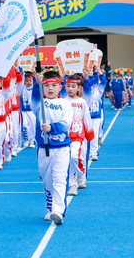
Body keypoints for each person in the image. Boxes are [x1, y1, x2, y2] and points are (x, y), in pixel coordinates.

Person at [32, 70, 73, 225]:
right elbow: (34, 98)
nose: (50, 88)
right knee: (46, 180)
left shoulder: (65, 104)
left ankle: (58, 211)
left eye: (53, 85)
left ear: (60, 87)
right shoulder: (39, 103)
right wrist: (37, 85)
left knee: (59, 178)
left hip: (61, 147)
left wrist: (52, 128)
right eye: (47, 85)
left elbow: (66, 123)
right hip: (43, 148)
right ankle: (50, 207)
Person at [63, 74, 94, 197]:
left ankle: (80, 174)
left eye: (73, 86)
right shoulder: (63, 102)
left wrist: (89, 134)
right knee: (69, 159)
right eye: (68, 86)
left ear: (79, 88)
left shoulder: (82, 102)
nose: (70, 89)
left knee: (75, 156)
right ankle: (72, 184)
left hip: (79, 136)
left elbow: (87, 119)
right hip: (66, 136)